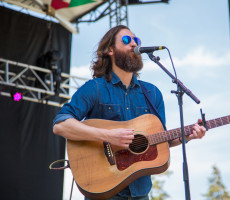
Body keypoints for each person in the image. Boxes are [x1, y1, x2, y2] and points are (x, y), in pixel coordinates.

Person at [53, 25, 206, 200]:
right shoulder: (94, 88)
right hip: (103, 190)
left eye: (136, 40)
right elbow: (61, 125)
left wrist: (188, 135)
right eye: (126, 40)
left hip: (140, 193)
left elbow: (162, 140)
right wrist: (107, 136)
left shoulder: (152, 93)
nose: (133, 44)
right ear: (110, 50)